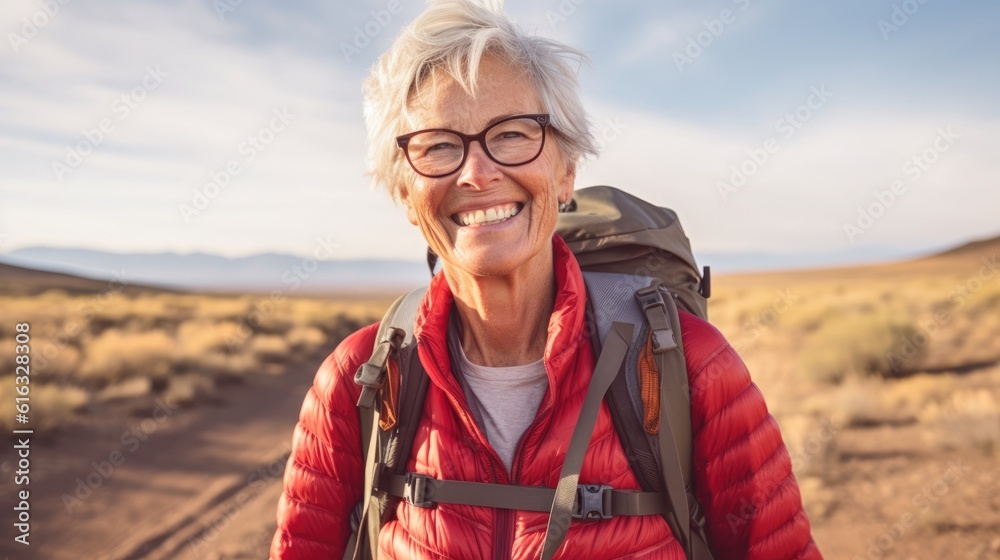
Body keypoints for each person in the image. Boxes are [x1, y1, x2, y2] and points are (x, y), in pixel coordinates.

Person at [270, 1, 822, 558]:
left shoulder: (686, 364)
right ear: (406, 196)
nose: (477, 173)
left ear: (565, 173)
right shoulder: (361, 378)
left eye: (511, 134)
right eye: (437, 145)